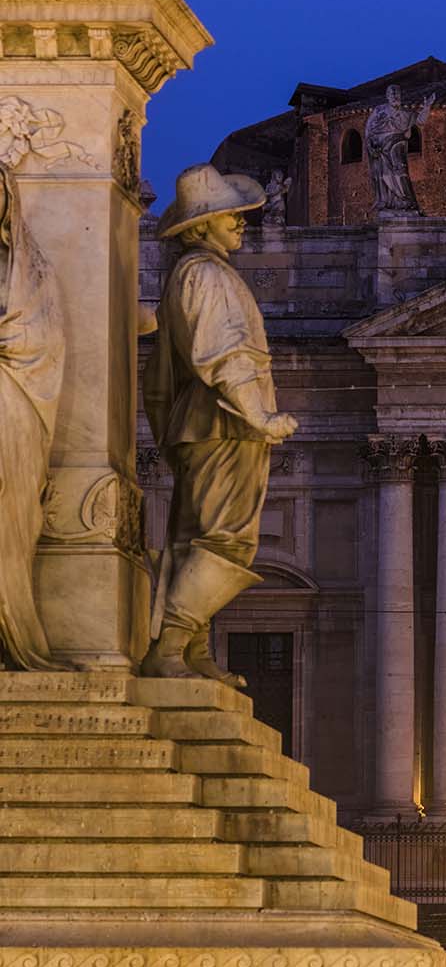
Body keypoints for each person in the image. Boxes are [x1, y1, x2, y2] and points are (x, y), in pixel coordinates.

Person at [142, 165, 296, 684]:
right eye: (230, 214)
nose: (241, 221)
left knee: (196, 539)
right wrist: (259, 415)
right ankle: (170, 648)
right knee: (226, 541)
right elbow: (223, 352)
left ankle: (193, 651)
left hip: (207, 423)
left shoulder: (197, 273)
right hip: (223, 424)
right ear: (202, 224)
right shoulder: (205, 275)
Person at [0, 164, 64, 669]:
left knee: (11, 514)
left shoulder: (29, 270)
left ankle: (11, 626)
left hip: (11, 403)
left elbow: (40, 336)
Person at [365, 84, 434, 214]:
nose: (395, 96)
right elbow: (368, 130)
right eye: (392, 94)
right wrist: (370, 145)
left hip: (396, 148)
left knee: (400, 175)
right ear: (387, 96)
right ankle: (388, 203)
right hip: (380, 150)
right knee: (383, 177)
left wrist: (427, 107)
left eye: (397, 94)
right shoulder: (379, 110)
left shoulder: (406, 113)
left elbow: (420, 120)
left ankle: (404, 201)